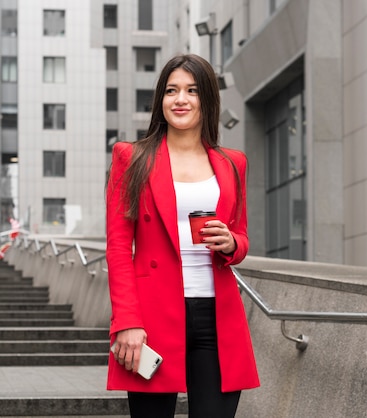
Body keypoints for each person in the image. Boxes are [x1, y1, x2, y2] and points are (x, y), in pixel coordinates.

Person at [105, 53, 260, 418]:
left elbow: (241, 236)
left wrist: (232, 243)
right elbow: (116, 247)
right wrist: (126, 322)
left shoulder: (232, 163)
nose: (181, 99)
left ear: (207, 99)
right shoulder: (132, 157)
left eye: (192, 90)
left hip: (218, 317)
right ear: (160, 100)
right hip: (153, 317)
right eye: (171, 90)